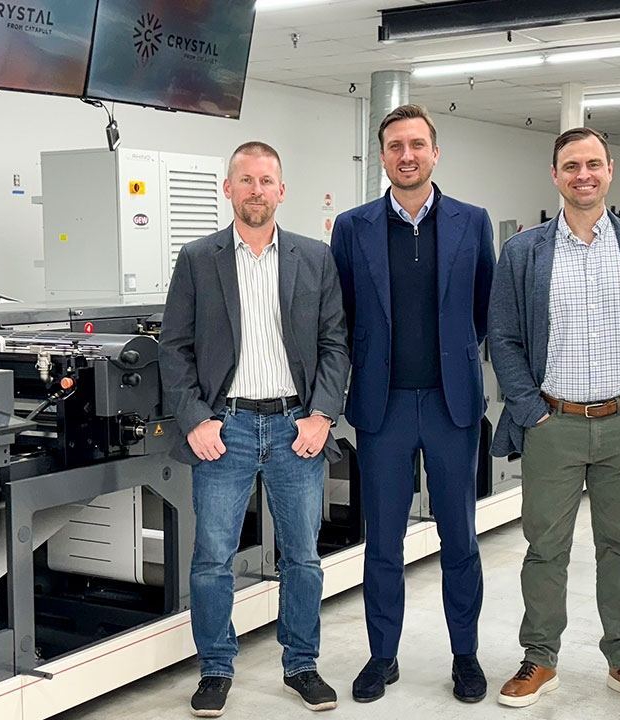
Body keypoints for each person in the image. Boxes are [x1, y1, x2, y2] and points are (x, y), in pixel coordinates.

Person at [487, 127, 620, 712]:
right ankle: (540, 659)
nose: (583, 175)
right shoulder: (523, 252)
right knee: (544, 550)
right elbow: (503, 337)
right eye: (571, 165)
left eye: (593, 164)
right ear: (555, 174)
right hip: (553, 424)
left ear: (610, 170)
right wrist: (529, 411)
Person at [159, 141, 350, 717]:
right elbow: (174, 348)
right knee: (213, 557)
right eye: (246, 180)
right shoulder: (198, 258)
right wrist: (194, 419)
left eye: (267, 181)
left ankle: (302, 665)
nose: (256, 190)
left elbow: (335, 343)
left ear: (281, 190)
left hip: (298, 428)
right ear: (229, 189)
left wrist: (321, 415)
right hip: (227, 428)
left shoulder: (314, 257)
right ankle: (215, 669)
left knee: (303, 557)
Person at [330, 104, 495, 704]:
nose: (408, 155)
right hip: (383, 408)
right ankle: (382, 656)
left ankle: (466, 655)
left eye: (418, 144)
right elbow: (340, 316)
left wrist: (453, 357)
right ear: (383, 157)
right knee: (383, 544)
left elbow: (484, 311)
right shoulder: (353, 227)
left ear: (435, 151)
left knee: (461, 539)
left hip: (453, 406)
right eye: (396, 146)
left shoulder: (472, 223)